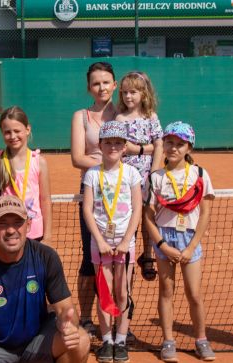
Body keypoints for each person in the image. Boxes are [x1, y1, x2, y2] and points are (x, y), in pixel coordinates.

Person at [0, 195, 91, 363]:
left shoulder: (45, 257)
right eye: (3, 224)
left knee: (80, 340)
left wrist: (68, 326)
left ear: (28, 225)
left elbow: (65, 311)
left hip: (38, 340)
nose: (11, 230)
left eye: (17, 223)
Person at [145, 121, 216, 362]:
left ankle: (201, 339)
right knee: (166, 291)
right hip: (165, 238)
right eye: (170, 142)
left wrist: (192, 245)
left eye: (180, 144)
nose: (174, 148)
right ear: (163, 145)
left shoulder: (200, 175)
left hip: (189, 239)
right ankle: (168, 341)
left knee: (193, 293)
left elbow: (205, 213)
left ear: (189, 147)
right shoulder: (156, 178)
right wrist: (162, 245)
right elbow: (148, 217)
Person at [82, 121, 142, 363]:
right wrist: (99, 240)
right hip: (100, 243)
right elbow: (87, 210)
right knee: (104, 292)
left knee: (122, 291)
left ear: (125, 146)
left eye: (118, 142)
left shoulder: (131, 174)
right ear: (100, 145)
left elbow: (137, 208)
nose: (113, 146)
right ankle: (107, 340)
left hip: (125, 244)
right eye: (109, 142)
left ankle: (121, 339)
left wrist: (127, 240)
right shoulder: (92, 174)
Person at [70, 61, 118, 335]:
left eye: (106, 81)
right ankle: (87, 319)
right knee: (90, 259)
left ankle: (119, 321)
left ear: (114, 84)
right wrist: (106, 166)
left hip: (121, 194)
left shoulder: (123, 114)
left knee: (121, 259)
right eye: (96, 83)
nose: (102, 87)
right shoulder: (81, 116)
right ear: (89, 88)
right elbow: (77, 158)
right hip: (91, 192)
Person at [115, 71, 165, 282]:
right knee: (129, 214)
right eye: (125, 92)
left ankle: (148, 254)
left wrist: (153, 171)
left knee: (147, 215)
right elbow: (121, 146)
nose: (128, 97)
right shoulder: (119, 118)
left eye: (133, 92)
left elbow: (160, 144)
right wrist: (138, 150)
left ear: (143, 94)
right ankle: (128, 251)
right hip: (126, 174)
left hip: (146, 174)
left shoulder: (151, 116)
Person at [0, 106, 52, 243]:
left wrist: (47, 236)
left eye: (17, 131)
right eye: (7, 132)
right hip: (7, 232)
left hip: (35, 232)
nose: (13, 136)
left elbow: (45, 200)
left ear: (27, 130)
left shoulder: (39, 162)